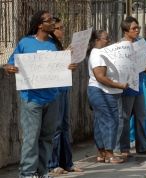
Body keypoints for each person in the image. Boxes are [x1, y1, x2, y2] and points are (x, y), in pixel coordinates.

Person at [3, 10, 75, 178]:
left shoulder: (54, 44)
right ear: (40, 25)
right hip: (31, 99)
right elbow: (10, 64)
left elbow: (61, 67)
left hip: (52, 98)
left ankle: (42, 172)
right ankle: (27, 173)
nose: (53, 23)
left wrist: (69, 67)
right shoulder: (25, 43)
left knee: (47, 137)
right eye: (49, 20)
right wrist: (9, 69)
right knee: (31, 137)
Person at [117, 16, 146, 157]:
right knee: (125, 117)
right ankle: (125, 149)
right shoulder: (121, 46)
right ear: (125, 31)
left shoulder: (141, 42)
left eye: (138, 27)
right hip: (127, 87)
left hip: (139, 84)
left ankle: (142, 146)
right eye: (134, 28)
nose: (137, 30)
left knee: (142, 114)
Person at [87, 30, 128, 164]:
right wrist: (119, 85)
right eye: (106, 38)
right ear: (97, 40)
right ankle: (110, 154)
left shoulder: (102, 52)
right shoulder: (98, 54)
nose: (109, 40)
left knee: (101, 122)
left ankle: (102, 153)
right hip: (102, 91)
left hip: (105, 91)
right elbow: (100, 77)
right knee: (111, 121)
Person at [48, 17, 81, 175]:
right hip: (55, 91)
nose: (62, 30)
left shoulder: (58, 45)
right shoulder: (49, 45)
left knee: (65, 126)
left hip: (64, 88)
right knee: (56, 128)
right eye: (59, 28)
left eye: (62, 27)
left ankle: (67, 162)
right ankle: (53, 164)